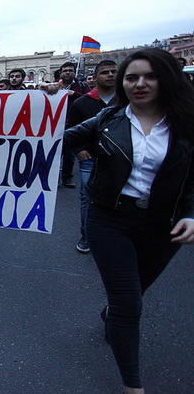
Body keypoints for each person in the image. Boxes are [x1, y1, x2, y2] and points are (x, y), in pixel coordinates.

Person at [64, 48, 194, 394]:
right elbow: (55, 139)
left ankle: (113, 314)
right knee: (129, 304)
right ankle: (134, 393)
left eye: (148, 77)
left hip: (162, 227)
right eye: (131, 77)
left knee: (134, 293)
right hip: (110, 220)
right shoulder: (108, 119)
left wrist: (190, 213)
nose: (138, 84)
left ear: (166, 80)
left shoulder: (187, 123)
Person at [66, 60, 117, 254]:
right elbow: (71, 129)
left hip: (120, 160)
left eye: (114, 72)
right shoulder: (82, 102)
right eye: (105, 72)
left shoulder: (128, 100)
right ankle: (87, 237)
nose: (110, 75)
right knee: (88, 198)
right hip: (89, 159)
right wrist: (79, 149)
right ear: (95, 78)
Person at [57, 61, 89, 188]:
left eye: (70, 70)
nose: (68, 72)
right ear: (61, 73)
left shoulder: (81, 86)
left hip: (72, 123)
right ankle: (52, 179)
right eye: (65, 70)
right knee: (54, 153)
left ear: (74, 72)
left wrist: (74, 94)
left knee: (69, 154)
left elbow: (88, 99)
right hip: (55, 124)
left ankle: (67, 178)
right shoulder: (55, 85)